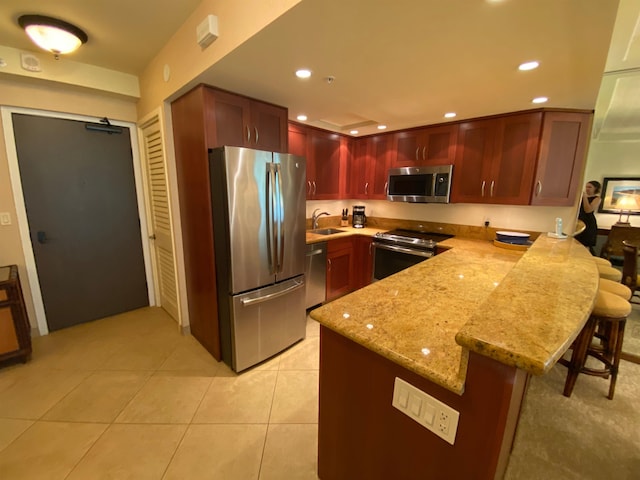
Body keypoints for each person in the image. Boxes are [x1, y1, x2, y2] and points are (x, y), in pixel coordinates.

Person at [576, 180, 601, 255]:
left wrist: (585, 197)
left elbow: (588, 210)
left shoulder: (597, 199)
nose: (587, 189)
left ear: (595, 188)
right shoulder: (580, 197)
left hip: (589, 223)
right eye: (586, 187)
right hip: (580, 221)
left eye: (590, 187)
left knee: (586, 244)